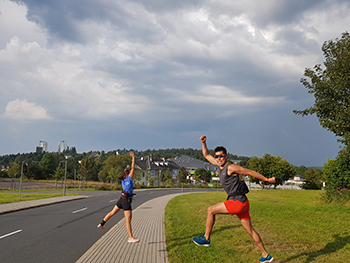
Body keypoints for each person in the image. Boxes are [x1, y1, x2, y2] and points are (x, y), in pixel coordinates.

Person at [192, 135, 275, 263]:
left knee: (210, 210)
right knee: (251, 231)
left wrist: (267, 180)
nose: (219, 158)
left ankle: (206, 238)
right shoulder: (218, 164)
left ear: (226, 156)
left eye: (221, 156)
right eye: (217, 156)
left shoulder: (231, 167)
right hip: (243, 203)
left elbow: (250, 172)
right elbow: (206, 155)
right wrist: (204, 143)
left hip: (237, 202)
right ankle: (265, 255)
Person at [97, 151, 139, 243]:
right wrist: (133, 157)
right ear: (128, 175)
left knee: (112, 212)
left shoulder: (123, 180)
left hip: (122, 199)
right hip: (126, 201)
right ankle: (130, 237)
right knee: (128, 220)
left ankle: (101, 223)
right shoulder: (129, 179)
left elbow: (130, 169)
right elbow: (132, 167)